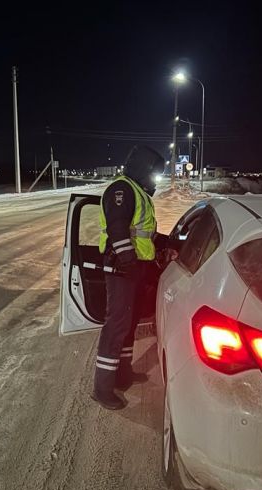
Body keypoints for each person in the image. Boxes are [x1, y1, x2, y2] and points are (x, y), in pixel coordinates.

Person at [92, 145, 165, 410]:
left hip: (135, 269)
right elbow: (117, 229)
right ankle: (102, 388)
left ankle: (122, 376)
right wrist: (128, 261)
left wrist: (170, 244)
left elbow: (143, 234)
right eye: (154, 172)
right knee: (116, 326)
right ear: (143, 168)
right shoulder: (121, 190)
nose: (155, 178)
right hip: (122, 270)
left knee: (129, 325)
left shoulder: (138, 192)